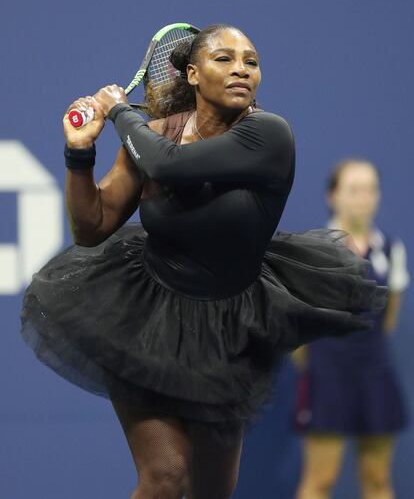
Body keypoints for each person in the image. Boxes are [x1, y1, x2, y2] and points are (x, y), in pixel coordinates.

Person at [21, 25, 386, 499]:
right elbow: (92, 228)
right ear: (192, 74)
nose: (241, 69)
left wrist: (118, 112)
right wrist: (79, 153)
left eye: (251, 62)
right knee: (165, 476)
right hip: (144, 316)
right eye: (224, 59)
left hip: (228, 327)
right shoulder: (153, 134)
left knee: (212, 490)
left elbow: (168, 165)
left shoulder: (269, 134)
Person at [293, 159, 409, 499]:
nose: (364, 198)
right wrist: (317, 367)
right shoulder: (314, 251)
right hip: (327, 375)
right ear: (333, 196)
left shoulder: (392, 249)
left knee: (377, 479)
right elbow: (299, 327)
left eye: (371, 189)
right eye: (354, 190)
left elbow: (387, 319)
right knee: (321, 478)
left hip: (376, 373)